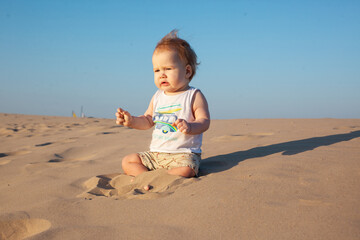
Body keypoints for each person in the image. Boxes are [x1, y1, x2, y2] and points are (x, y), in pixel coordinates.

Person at [115, 30, 210, 181]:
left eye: (168, 68)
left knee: (187, 169)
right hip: (156, 155)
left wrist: (191, 127)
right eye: (157, 70)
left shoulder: (193, 95)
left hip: (183, 154)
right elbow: (147, 120)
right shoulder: (158, 96)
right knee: (128, 160)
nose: (162, 74)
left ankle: (160, 178)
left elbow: (204, 121)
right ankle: (146, 178)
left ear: (187, 71)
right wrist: (132, 121)